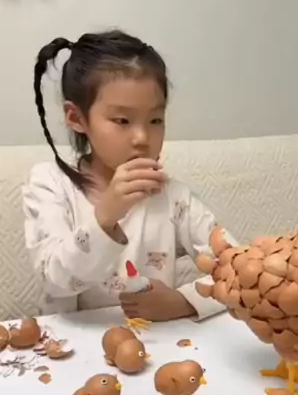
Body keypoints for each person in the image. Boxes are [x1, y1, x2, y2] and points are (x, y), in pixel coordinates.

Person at [23, 29, 228, 321]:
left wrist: (183, 302)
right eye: (122, 120)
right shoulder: (50, 184)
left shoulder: (173, 197)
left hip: (155, 343)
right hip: (69, 344)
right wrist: (104, 217)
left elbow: (237, 269)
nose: (143, 138)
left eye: (155, 120)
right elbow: (54, 280)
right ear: (77, 118)